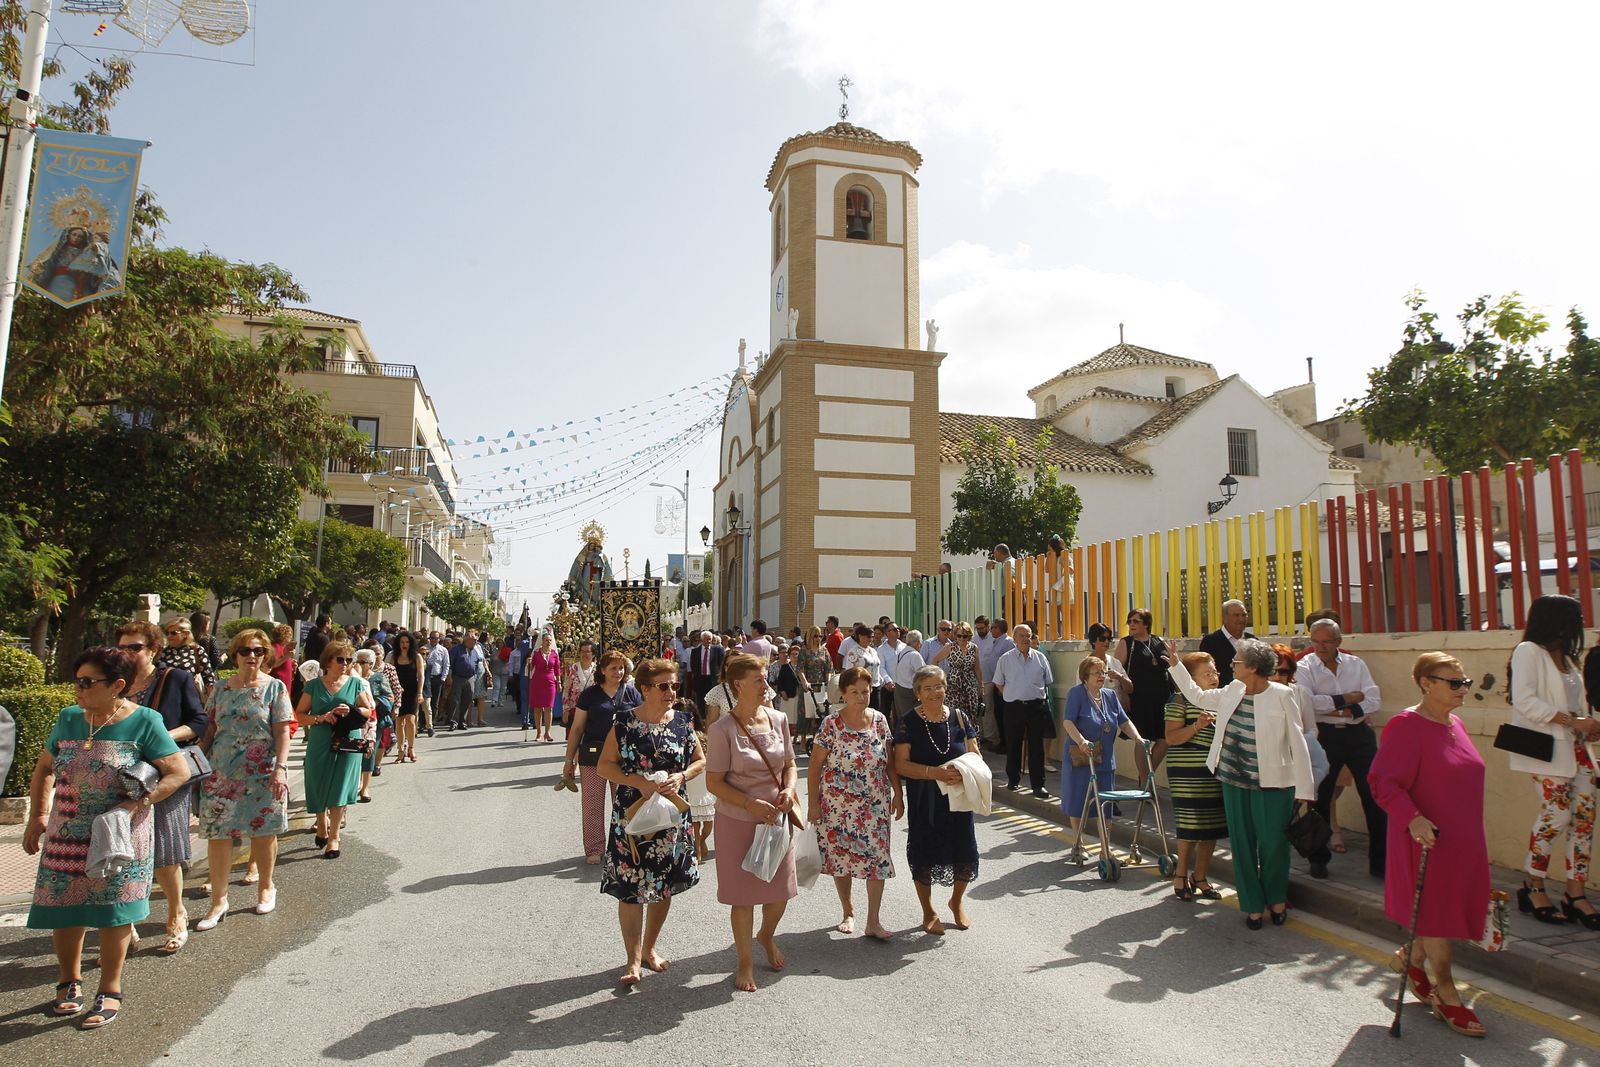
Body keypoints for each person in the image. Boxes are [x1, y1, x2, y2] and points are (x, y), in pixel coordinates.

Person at [23, 647, 190, 1029]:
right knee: (64, 907)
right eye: (75, 681)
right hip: (66, 832)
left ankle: (110, 990)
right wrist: (38, 817)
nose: (77, 689)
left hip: (119, 836)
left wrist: (135, 806)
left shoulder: (145, 721)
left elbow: (177, 772)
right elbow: (45, 768)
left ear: (117, 686)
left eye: (86, 682)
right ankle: (68, 981)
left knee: (114, 912)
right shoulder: (68, 719)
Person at [1369, 651, 1490, 1038]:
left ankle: (1411, 958)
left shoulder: (1455, 724)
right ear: (1426, 683)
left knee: (1445, 911)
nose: (1463, 689)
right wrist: (1413, 818)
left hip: (1464, 839)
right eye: (1454, 683)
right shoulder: (1406, 726)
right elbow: (1383, 781)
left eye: (1465, 682)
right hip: (1426, 838)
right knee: (1436, 913)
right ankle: (1447, 993)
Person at [1166, 639, 1316, 930]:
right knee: (1242, 846)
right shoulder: (1233, 690)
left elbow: (1298, 743)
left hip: (1275, 784)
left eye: (1236, 662)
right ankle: (1252, 905)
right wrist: (1175, 664)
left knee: (1274, 845)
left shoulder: (1284, 695)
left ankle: (1276, 898)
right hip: (1234, 780)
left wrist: (1305, 791)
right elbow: (1197, 696)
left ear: (1253, 668)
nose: (1230, 666)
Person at [596, 657, 703, 986]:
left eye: (674, 685)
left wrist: (681, 775)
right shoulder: (624, 723)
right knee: (631, 889)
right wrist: (637, 781)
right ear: (644, 689)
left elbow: (700, 760)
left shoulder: (683, 721)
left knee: (664, 884)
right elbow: (604, 766)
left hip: (670, 816)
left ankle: (650, 949)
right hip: (633, 817)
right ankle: (632, 960)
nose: (671, 691)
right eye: (663, 686)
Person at [705, 652, 800, 992]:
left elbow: (789, 763)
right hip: (737, 821)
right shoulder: (722, 729)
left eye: (766, 678)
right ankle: (744, 961)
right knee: (743, 897)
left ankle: (767, 935)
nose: (766, 685)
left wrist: (789, 790)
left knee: (780, 892)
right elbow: (713, 782)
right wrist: (749, 803)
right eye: (758, 680)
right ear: (738, 686)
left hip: (775, 819)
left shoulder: (778, 719)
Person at [112, 621, 207, 955]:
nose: (127, 652)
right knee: (121, 850)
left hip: (166, 773)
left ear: (153, 649)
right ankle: (127, 922)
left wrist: (163, 738)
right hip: (123, 775)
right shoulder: (114, 683)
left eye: (135, 647)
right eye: (123, 646)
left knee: (165, 852)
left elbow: (199, 721)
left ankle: (176, 912)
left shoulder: (174, 678)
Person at [1508, 594, 1600, 926]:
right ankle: (1533, 885)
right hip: (1548, 752)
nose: (1581, 622)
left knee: (1584, 822)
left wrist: (1588, 726)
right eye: (1576, 616)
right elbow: (1525, 701)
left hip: (1579, 751)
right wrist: (1573, 722)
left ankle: (1575, 894)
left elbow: (1577, 703)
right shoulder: (1528, 651)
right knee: (1556, 816)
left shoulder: (1569, 658)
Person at [194, 629, 294, 930]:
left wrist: (281, 767)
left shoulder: (274, 688)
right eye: (246, 651)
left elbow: (282, 731)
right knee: (218, 836)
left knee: (263, 832)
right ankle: (219, 901)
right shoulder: (221, 688)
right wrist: (197, 762)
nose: (253, 656)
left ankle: (266, 885)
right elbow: (210, 729)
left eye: (259, 651)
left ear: (267, 655)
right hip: (222, 771)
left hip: (262, 769)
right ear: (236, 654)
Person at [808, 665, 902, 940]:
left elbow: (889, 762)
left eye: (866, 691)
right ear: (843, 694)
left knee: (878, 859)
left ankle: (873, 921)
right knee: (842, 859)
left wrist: (898, 793)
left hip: (874, 803)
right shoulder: (831, 724)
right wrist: (814, 804)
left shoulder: (880, 721)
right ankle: (848, 910)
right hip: (837, 804)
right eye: (855, 692)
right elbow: (815, 766)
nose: (862, 697)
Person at [894, 665, 980, 934]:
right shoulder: (909, 721)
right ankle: (928, 911)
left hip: (958, 796)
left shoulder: (959, 717)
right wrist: (936, 773)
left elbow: (975, 753)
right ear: (918, 693)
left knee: (965, 851)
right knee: (925, 854)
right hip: (925, 798)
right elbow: (901, 765)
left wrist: (963, 770)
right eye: (928, 688)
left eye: (939, 686)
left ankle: (956, 901)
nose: (935, 692)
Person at [1298, 619, 1386, 879]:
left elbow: (1373, 698)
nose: (1320, 647)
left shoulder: (1356, 664)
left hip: (1359, 734)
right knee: (1320, 798)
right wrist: (1348, 698)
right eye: (1315, 641)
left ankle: (1380, 862)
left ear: (1338, 642)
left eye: (1326, 641)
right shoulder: (1305, 667)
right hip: (1326, 735)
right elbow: (1309, 703)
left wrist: (1346, 709)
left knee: (1375, 797)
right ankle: (1318, 859)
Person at [295, 640, 372, 859]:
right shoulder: (313, 686)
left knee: (339, 787)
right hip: (320, 739)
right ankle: (321, 823)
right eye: (341, 659)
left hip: (347, 740)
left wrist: (351, 709)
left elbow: (367, 711)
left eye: (349, 660)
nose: (346, 664)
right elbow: (299, 716)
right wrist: (320, 717)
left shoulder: (355, 684)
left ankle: (334, 837)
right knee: (318, 783)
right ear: (328, 660)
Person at [1163, 651, 1227, 902]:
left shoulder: (1221, 700)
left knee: (1211, 826)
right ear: (1191, 678)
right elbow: (1171, 738)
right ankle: (1180, 875)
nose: (1214, 678)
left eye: (1215, 673)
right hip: (1186, 770)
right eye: (1207, 674)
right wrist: (1196, 726)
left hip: (1213, 768)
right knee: (1190, 824)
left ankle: (1200, 877)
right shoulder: (1178, 700)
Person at [566, 651, 642, 864]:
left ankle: (625, 845)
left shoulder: (632, 694)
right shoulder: (590, 695)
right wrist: (568, 760)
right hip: (594, 756)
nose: (618, 672)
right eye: (613, 668)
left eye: (621, 668)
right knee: (592, 804)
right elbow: (578, 728)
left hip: (625, 758)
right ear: (602, 670)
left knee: (626, 803)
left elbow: (640, 726)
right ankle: (594, 848)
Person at [1060, 655, 1144, 835]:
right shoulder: (1076, 693)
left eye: (1103, 672)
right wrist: (1081, 741)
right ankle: (1078, 841)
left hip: (1105, 759)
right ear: (1085, 676)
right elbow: (1068, 722)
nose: (1101, 676)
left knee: (1105, 806)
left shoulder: (1110, 695)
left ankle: (1105, 850)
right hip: (1082, 757)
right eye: (1096, 673)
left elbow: (1124, 722)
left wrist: (1138, 738)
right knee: (1079, 801)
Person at [993, 624, 1054, 798]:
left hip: (1036, 706)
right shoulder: (1005, 659)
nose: (1026, 639)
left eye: (1029, 635)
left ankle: (1038, 785)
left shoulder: (1040, 658)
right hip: (1014, 707)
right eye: (1022, 636)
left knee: (1036, 747)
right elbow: (998, 681)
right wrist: (1009, 694)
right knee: (1013, 744)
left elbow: (1047, 680)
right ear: (1014, 639)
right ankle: (1013, 780)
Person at [1111, 608, 1172, 782]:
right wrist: (1122, 695)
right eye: (1130, 621)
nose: (1131, 625)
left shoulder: (1158, 641)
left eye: (1136, 621)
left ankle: (1146, 775)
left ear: (1146, 624)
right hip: (1138, 698)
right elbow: (1117, 672)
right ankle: (1145, 780)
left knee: (1165, 739)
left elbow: (1170, 666)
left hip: (1161, 697)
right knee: (1142, 739)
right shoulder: (1126, 643)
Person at [352, 649, 392, 803]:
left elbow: (390, 697)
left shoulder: (378, 678)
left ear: (370, 664)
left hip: (374, 721)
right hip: (354, 720)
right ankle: (354, 784)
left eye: (362, 662)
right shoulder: (350, 679)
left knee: (369, 752)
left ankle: (365, 788)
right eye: (357, 661)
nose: (359, 665)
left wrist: (376, 702)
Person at [158, 616, 217, 697]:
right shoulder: (163, 652)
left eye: (173, 633)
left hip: (190, 697)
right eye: (167, 633)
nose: (169, 636)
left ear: (185, 634)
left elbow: (209, 678)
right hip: (166, 697)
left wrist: (212, 704)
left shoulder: (197, 650)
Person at [978, 618, 1014, 751]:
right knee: (997, 714)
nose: (991, 630)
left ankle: (1006, 744)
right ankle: (1002, 742)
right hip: (995, 683)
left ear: (1000, 629)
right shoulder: (997, 641)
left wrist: (1002, 685)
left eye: (993, 627)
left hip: (1002, 685)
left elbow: (1010, 665)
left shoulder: (1007, 642)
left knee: (1003, 715)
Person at [1200, 599, 1253, 687]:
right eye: (1236, 615)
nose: (1241, 619)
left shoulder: (1253, 641)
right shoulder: (1210, 642)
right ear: (1224, 617)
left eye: (1244, 615)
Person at [942, 622, 984, 728]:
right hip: (953, 687)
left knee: (971, 715)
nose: (961, 639)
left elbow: (977, 669)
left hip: (970, 685)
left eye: (964, 636)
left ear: (969, 636)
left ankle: (971, 742)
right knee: (954, 716)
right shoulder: (950, 647)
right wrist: (942, 679)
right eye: (958, 636)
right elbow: (934, 660)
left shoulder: (974, 648)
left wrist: (980, 686)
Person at [389, 631, 421, 763]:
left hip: (412, 690)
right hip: (398, 691)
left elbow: (421, 675)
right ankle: (401, 750)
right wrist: (391, 692)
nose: (404, 644)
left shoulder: (416, 656)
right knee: (399, 721)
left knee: (411, 720)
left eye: (407, 642)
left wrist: (420, 692)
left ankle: (411, 748)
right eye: (402, 642)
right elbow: (389, 676)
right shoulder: (393, 657)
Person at [797, 626, 833, 740]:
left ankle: (816, 737)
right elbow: (800, 669)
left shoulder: (824, 651)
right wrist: (805, 682)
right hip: (808, 686)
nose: (818, 638)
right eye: (815, 636)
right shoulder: (804, 651)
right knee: (805, 712)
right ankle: (803, 738)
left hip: (820, 685)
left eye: (820, 636)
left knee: (819, 712)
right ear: (810, 637)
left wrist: (828, 681)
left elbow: (829, 668)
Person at [447, 631, 485, 731]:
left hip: (470, 678)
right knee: (455, 700)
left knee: (467, 700)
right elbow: (450, 664)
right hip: (458, 677)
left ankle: (462, 722)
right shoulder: (456, 649)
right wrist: (450, 677)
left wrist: (475, 675)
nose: (475, 642)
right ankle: (453, 722)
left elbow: (476, 664)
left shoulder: (475, 652)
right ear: (467, 640)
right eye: (474, 640)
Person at [528, 632, 561, 743]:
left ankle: (548, 732)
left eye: (550, 640)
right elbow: (530, 669)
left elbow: (557, 669)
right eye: (546, 640)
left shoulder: (554, 654)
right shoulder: (536, 653)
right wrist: (529, 663)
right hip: (537, 682)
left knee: (549, 708)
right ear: (542, 641)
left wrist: (559, 682)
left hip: (550, 682)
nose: (548, 642)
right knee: (537, 708)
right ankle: (538, 732)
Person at [842, 623, 883, 708]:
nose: (870, 639)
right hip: (861, 689)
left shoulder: (873, 651)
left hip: (876, 686)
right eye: (868, 637)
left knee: (875, 712)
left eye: (872, 637)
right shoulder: (853, 652)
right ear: (860, 636)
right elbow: (849, 673)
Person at [269, 624, 298, 738]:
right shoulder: (276, 647)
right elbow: (274, 664)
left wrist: (292, 664)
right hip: (279, 680)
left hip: (285, 681)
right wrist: (287, 657)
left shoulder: (283, 648)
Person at [689, 630, 726, 713]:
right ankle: (702, 718)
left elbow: (722, 664)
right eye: (707, 639)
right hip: (700, 679)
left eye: (710, 639)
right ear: (702, 640)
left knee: (713, 700)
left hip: (712, 679)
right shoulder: (695, 651)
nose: (709, 641)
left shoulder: (717, 650)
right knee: (701, 700)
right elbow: (693, 665)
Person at [425, 631, 449, 736]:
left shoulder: (443, 650)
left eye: (436, 638)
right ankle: (423, 723)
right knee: (425, 702)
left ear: (439, 639)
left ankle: (432, 722)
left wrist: (443, 678)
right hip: (426, 678)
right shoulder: (424, 648)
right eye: (432, 638)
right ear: (429, 638)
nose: (434, 640)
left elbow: (446, 664)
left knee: (435, 702)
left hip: (437, 678)